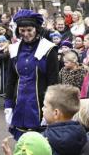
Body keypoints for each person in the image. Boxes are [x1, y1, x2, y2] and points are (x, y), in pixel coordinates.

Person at [5, 9, 59, 139]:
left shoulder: (48, 49)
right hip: (20, 103)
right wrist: (8, 105)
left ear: (36, 29)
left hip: (40, 104)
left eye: (29, 30)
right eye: (22, 31)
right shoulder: (14, 49)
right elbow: (11, 79)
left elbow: (53, 82)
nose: (26, 34)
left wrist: (51, 107)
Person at [42, 84, 87, 155]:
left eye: (45, 106)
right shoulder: (83, 134)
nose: (42, 109)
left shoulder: (43, 140)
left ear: (56, 113)